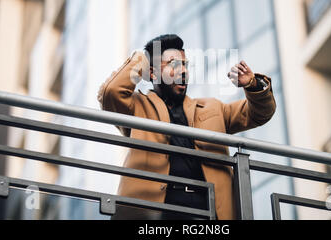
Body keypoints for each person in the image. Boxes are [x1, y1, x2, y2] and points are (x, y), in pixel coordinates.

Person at [97, 34, 276, 220]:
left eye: (185, 65)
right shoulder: (137, 107)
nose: (183, 71)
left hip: (210, 214)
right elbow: (111, 92)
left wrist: (253, 85)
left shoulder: (212, 108)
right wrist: (142, 59)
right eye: (174, 65)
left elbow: (259, 113)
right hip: (153, 215)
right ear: (152, 73)